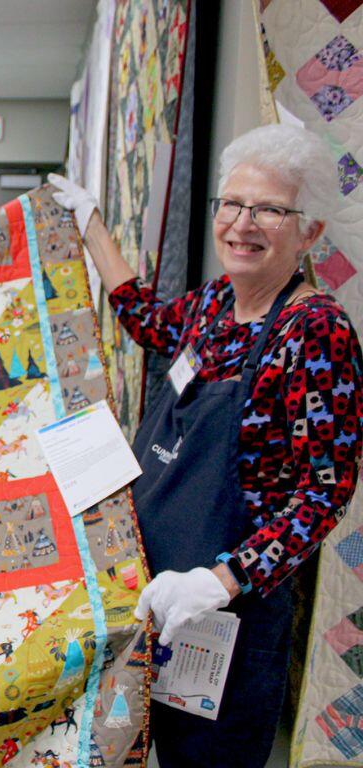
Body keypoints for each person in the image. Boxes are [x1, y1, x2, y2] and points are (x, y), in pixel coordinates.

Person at [50, 123, 363, 766]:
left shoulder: (315, 331)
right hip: (150, 593)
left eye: (271, 209)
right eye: (233, 203)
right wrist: (91, 226)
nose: (243, 223)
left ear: (309, 233)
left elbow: (326, 491)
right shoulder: (217, 304)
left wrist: (222, 581)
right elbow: (146, 319)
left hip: (225, 621)